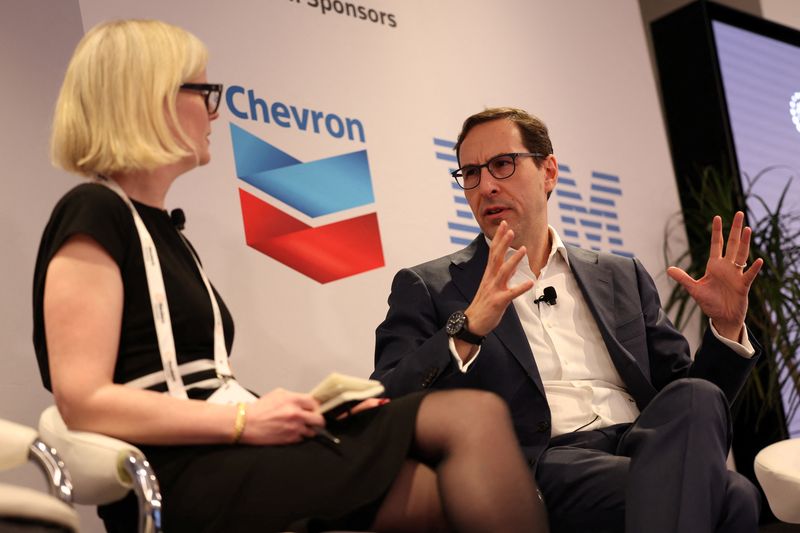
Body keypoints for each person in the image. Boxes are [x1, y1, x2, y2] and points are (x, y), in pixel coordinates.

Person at [33, 23, 549, 533]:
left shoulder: (162, 230)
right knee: (470, 416)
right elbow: (82, 400)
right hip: (182, 472)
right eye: (203, 91)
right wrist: (244, 422)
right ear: (151, 100)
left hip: (224, 448)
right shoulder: (94, 211)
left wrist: (300, 411)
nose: (215, 110)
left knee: (435, 494)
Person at [372, 107, 764, 533]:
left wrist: (726, 329)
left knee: (697, 398)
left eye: (502, 165)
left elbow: (691, 402)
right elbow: (389, 398)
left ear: (549, 172)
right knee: (731, 496)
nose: (485, 186)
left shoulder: (619, 274)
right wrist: (467, 327)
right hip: (545, 461)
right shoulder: (431, 286)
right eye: (470, 173)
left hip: (643, 443)